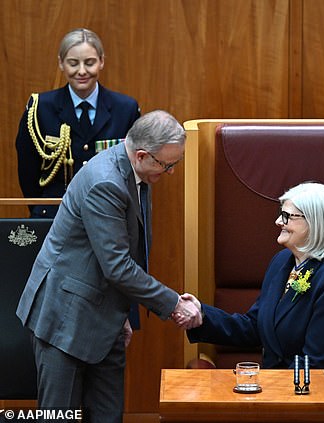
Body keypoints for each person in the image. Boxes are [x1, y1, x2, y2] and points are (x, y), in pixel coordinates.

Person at [16, 110, 202, 422]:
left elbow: (123, 253)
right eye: (167, 165)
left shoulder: (138, 171)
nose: (170, 172)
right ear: (142, 154)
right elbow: (117, 266)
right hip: (66, 319)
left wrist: (122, 312)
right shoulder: (106, 183)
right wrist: (173, 304)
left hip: (105, 318)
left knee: (107, 416)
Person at [184, 182, 324, 369]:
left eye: (287, 216)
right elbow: (254, 327)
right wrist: (202, 314)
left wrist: (272, 390)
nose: (278, 222)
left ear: (314, 223)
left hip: (314, 391)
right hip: (278, 388)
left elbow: (315, 360)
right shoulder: (282, 262)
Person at [15, 28, 140, 218]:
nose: (82, 71)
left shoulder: (125, 109)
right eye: (73, 63)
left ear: (101, 62)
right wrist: (40, 208)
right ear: (61, 63)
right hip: (54, 216)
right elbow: (28, 170)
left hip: (109, 216)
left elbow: (135, 170)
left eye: (89, 63)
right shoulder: (40, 108)